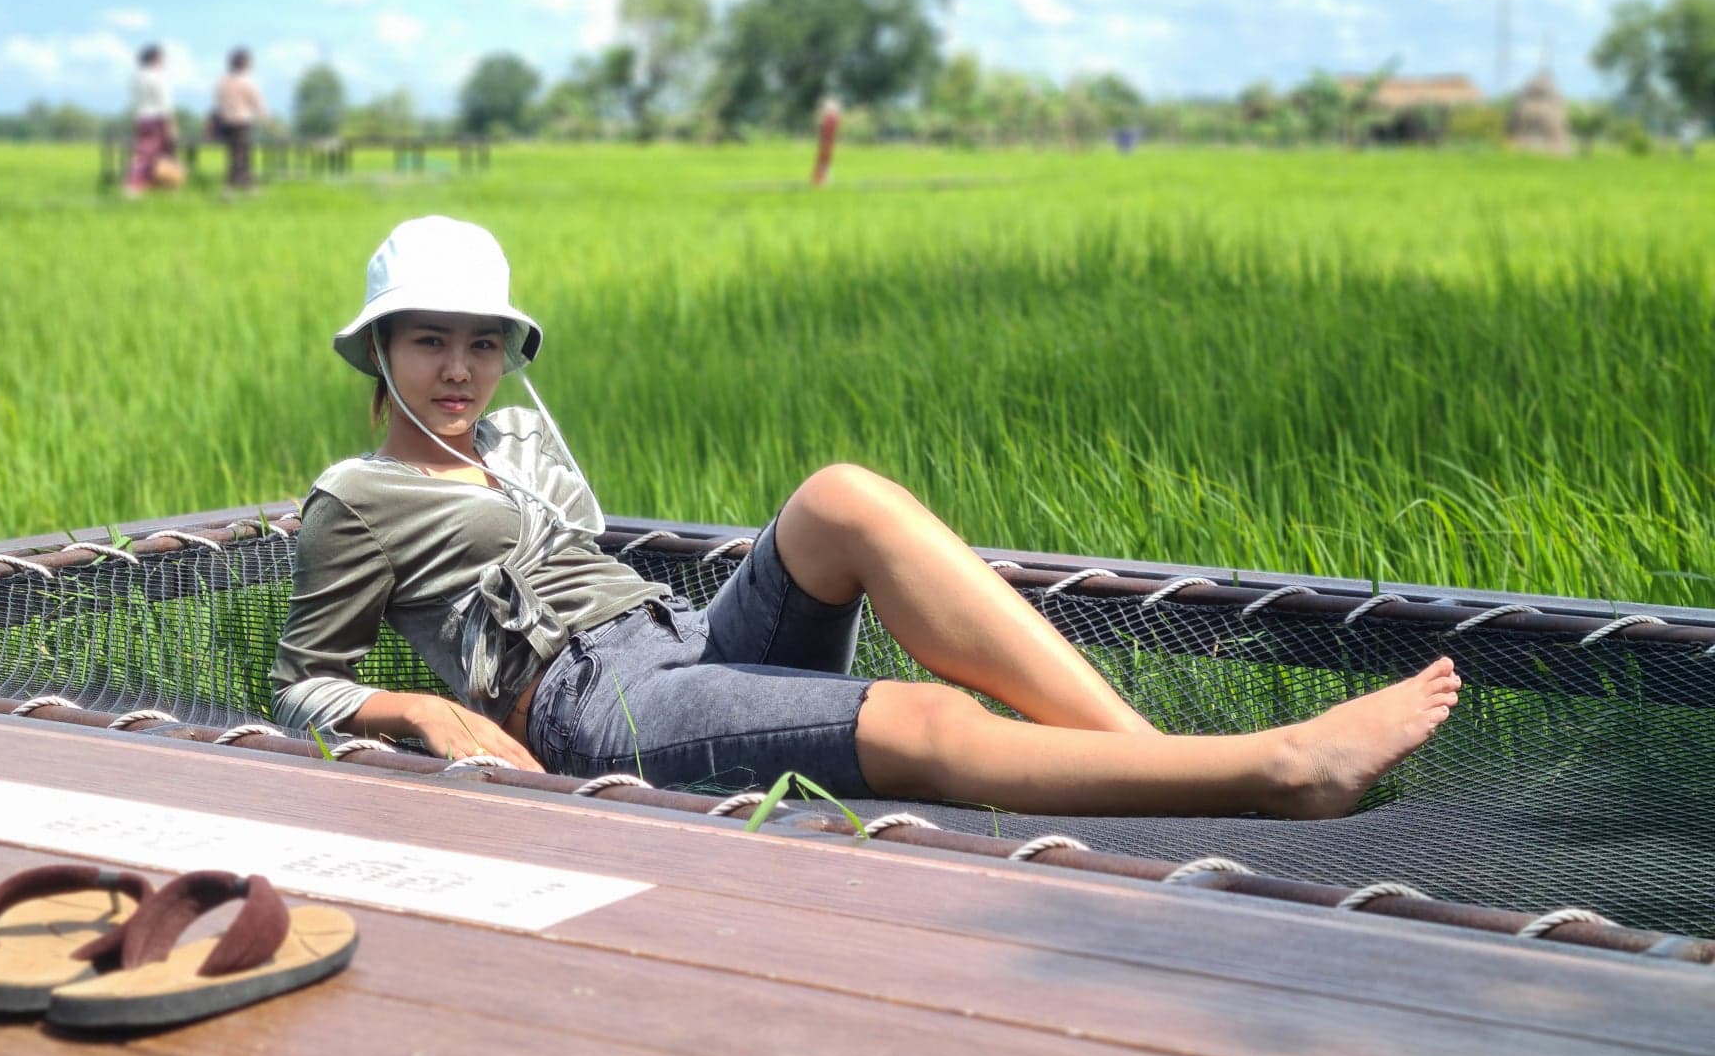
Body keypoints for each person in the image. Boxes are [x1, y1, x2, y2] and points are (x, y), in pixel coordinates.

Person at [272, 216, 1461, 816]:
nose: (460, 370)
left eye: (483, 343)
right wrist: (420, 704)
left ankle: (1154, 760)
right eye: (430, 341)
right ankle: (1278, 771)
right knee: (922, 715)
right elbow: (302, 682)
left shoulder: (516, 443)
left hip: (679, 644)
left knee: (841, 495)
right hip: (595, 705)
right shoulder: (355, 499)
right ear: (381, 351)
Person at [212, 47, 271, 193]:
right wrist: (266, 119)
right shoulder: (247, 81)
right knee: (241, 156)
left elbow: (218, 100)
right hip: (241, 122)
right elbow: (257, 102)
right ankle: (229, 188)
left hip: (226, 122)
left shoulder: (223, 81)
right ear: (244, 63)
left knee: (236, 155)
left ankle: (247, 186)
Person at [125, 44, 180, 195]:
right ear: (155, 59)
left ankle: (155, 185)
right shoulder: (159, 77)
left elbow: (135, 99)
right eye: (162, 58)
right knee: (154, 155)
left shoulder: (136, 77)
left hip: (141, 118)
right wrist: (172, 125)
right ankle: (135, 185)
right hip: (157, 119)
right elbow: (165, 103)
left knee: (144, 153)